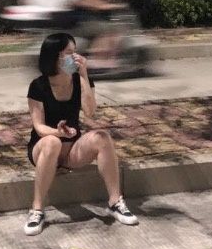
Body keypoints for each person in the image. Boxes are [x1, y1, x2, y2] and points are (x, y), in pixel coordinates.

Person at [23, 31, 139, 235]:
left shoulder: (80, 81)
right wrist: (58, 133)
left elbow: (90, 112)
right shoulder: (38, 85)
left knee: (102, 137)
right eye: (69, 53)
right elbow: (39, 127)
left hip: (72, 149)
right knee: (51, 142)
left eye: (76, 52)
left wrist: (84, 75)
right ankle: (37, 210)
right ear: (55, 55)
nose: (75, 57)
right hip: (43, 148)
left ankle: (115, 202)